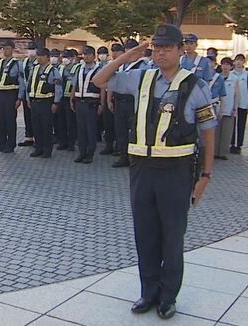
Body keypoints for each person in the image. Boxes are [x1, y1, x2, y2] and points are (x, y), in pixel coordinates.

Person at [91, 23, 216, 320]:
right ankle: (148, 292)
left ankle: (168, 296)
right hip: (142, 171)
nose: (160, 53)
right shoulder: (141, 78)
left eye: (166, 48)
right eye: (156, 48)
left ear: (180, 50)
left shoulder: (195, 85)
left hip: (176, 172)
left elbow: (209, 134)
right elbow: (99, 80)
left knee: (172, 237)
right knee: (145, 234)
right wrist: (126, 56)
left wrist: (205, 177)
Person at [112, 38, 149, 168]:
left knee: (134, 130)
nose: (129, 52)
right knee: (120, 130)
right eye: (127, 49)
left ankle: (133, 157)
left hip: (132, 102)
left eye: (132, 49)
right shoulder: (122, 65)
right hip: (119, 101)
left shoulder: (144, 65)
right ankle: (123, 156)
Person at [26, 48, 62, 158]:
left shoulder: (53, 71)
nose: (39, 58)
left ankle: (47, 150)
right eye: (38, 55)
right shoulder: (34, 69)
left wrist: (56, 103)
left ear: (47, 57)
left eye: (42, 56)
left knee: (46, 127)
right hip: (34, 102)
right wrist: (28, 99)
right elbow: (29, 84)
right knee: (36, 127)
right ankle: (38, 148)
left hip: (47, 103)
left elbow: (58, 88)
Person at [71, 46, 103, 164]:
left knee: (91, 129)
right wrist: (72, 99)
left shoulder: (99, 69)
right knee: (81, 130)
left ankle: (90, 153)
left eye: (88, 54)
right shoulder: (79, 68)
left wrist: (101, 104)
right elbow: (74, 85)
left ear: (94, 56)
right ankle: (82, 152)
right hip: (79, 102)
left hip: (92, 104)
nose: (86, 56)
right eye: (84, 54)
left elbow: (102, 88)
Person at [0, 39, 24, 154]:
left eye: (8, 49)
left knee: (10, 120)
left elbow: (21, 82)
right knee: (0, 120)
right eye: (4, 49)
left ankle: (10, 145)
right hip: (0, 94)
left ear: (12, 50)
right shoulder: (0, 63)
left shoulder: (17, 64)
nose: (5, 51)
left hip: (11, 95)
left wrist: (19, 98)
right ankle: (2, 143)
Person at [100, 44, 124, 155]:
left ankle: (120, 147)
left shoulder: (126, 65)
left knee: (120, 126)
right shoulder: (111, 65)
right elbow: (107, 84)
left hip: (121, 98)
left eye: (117, 51)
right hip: (110, 97)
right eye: (113, 51)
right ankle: (108, 145)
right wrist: (107, 101)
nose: (114, 53)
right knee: (108, 123)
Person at [230, 54, 248, 155]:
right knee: (232, 124)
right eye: (237, 60)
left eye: (241, 60)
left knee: (241, 124)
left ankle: (239, 144)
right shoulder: (231, 74)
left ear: (244, 62)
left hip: (243, 103)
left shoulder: (247, 75)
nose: (238, 62)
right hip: (231, 104)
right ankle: (231, 143)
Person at [56, 49, 80, 151]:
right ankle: (62, 142)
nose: (65, 59)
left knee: (71, 122)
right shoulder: (60, 68)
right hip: (61, 98)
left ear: (73, 58)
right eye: (64, 57)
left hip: (71, 99)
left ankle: (71, 143)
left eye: (67, 57)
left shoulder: (77, 68)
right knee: (61, 122)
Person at [215, 57, 239, 160]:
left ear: (231, 66)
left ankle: (223, 152)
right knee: (216, 131)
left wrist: (235, 108)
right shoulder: (216, 77)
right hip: (217, 108)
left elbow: (236, 95)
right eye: (223, 64)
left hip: (229, 108)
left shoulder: (234, 79)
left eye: (228, 65)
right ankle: (215, 151)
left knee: (227, 131)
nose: (225, 67)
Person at [19, 41, 38, 147]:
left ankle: (37, 139)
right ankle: (29, 137)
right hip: (26, 94)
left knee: (36, 117)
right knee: (27, 116)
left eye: (33, 49)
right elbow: (21, 79)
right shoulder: (24, 62)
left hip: (36, 94)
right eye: (29, 49)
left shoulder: (39, 62)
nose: (31, 51)